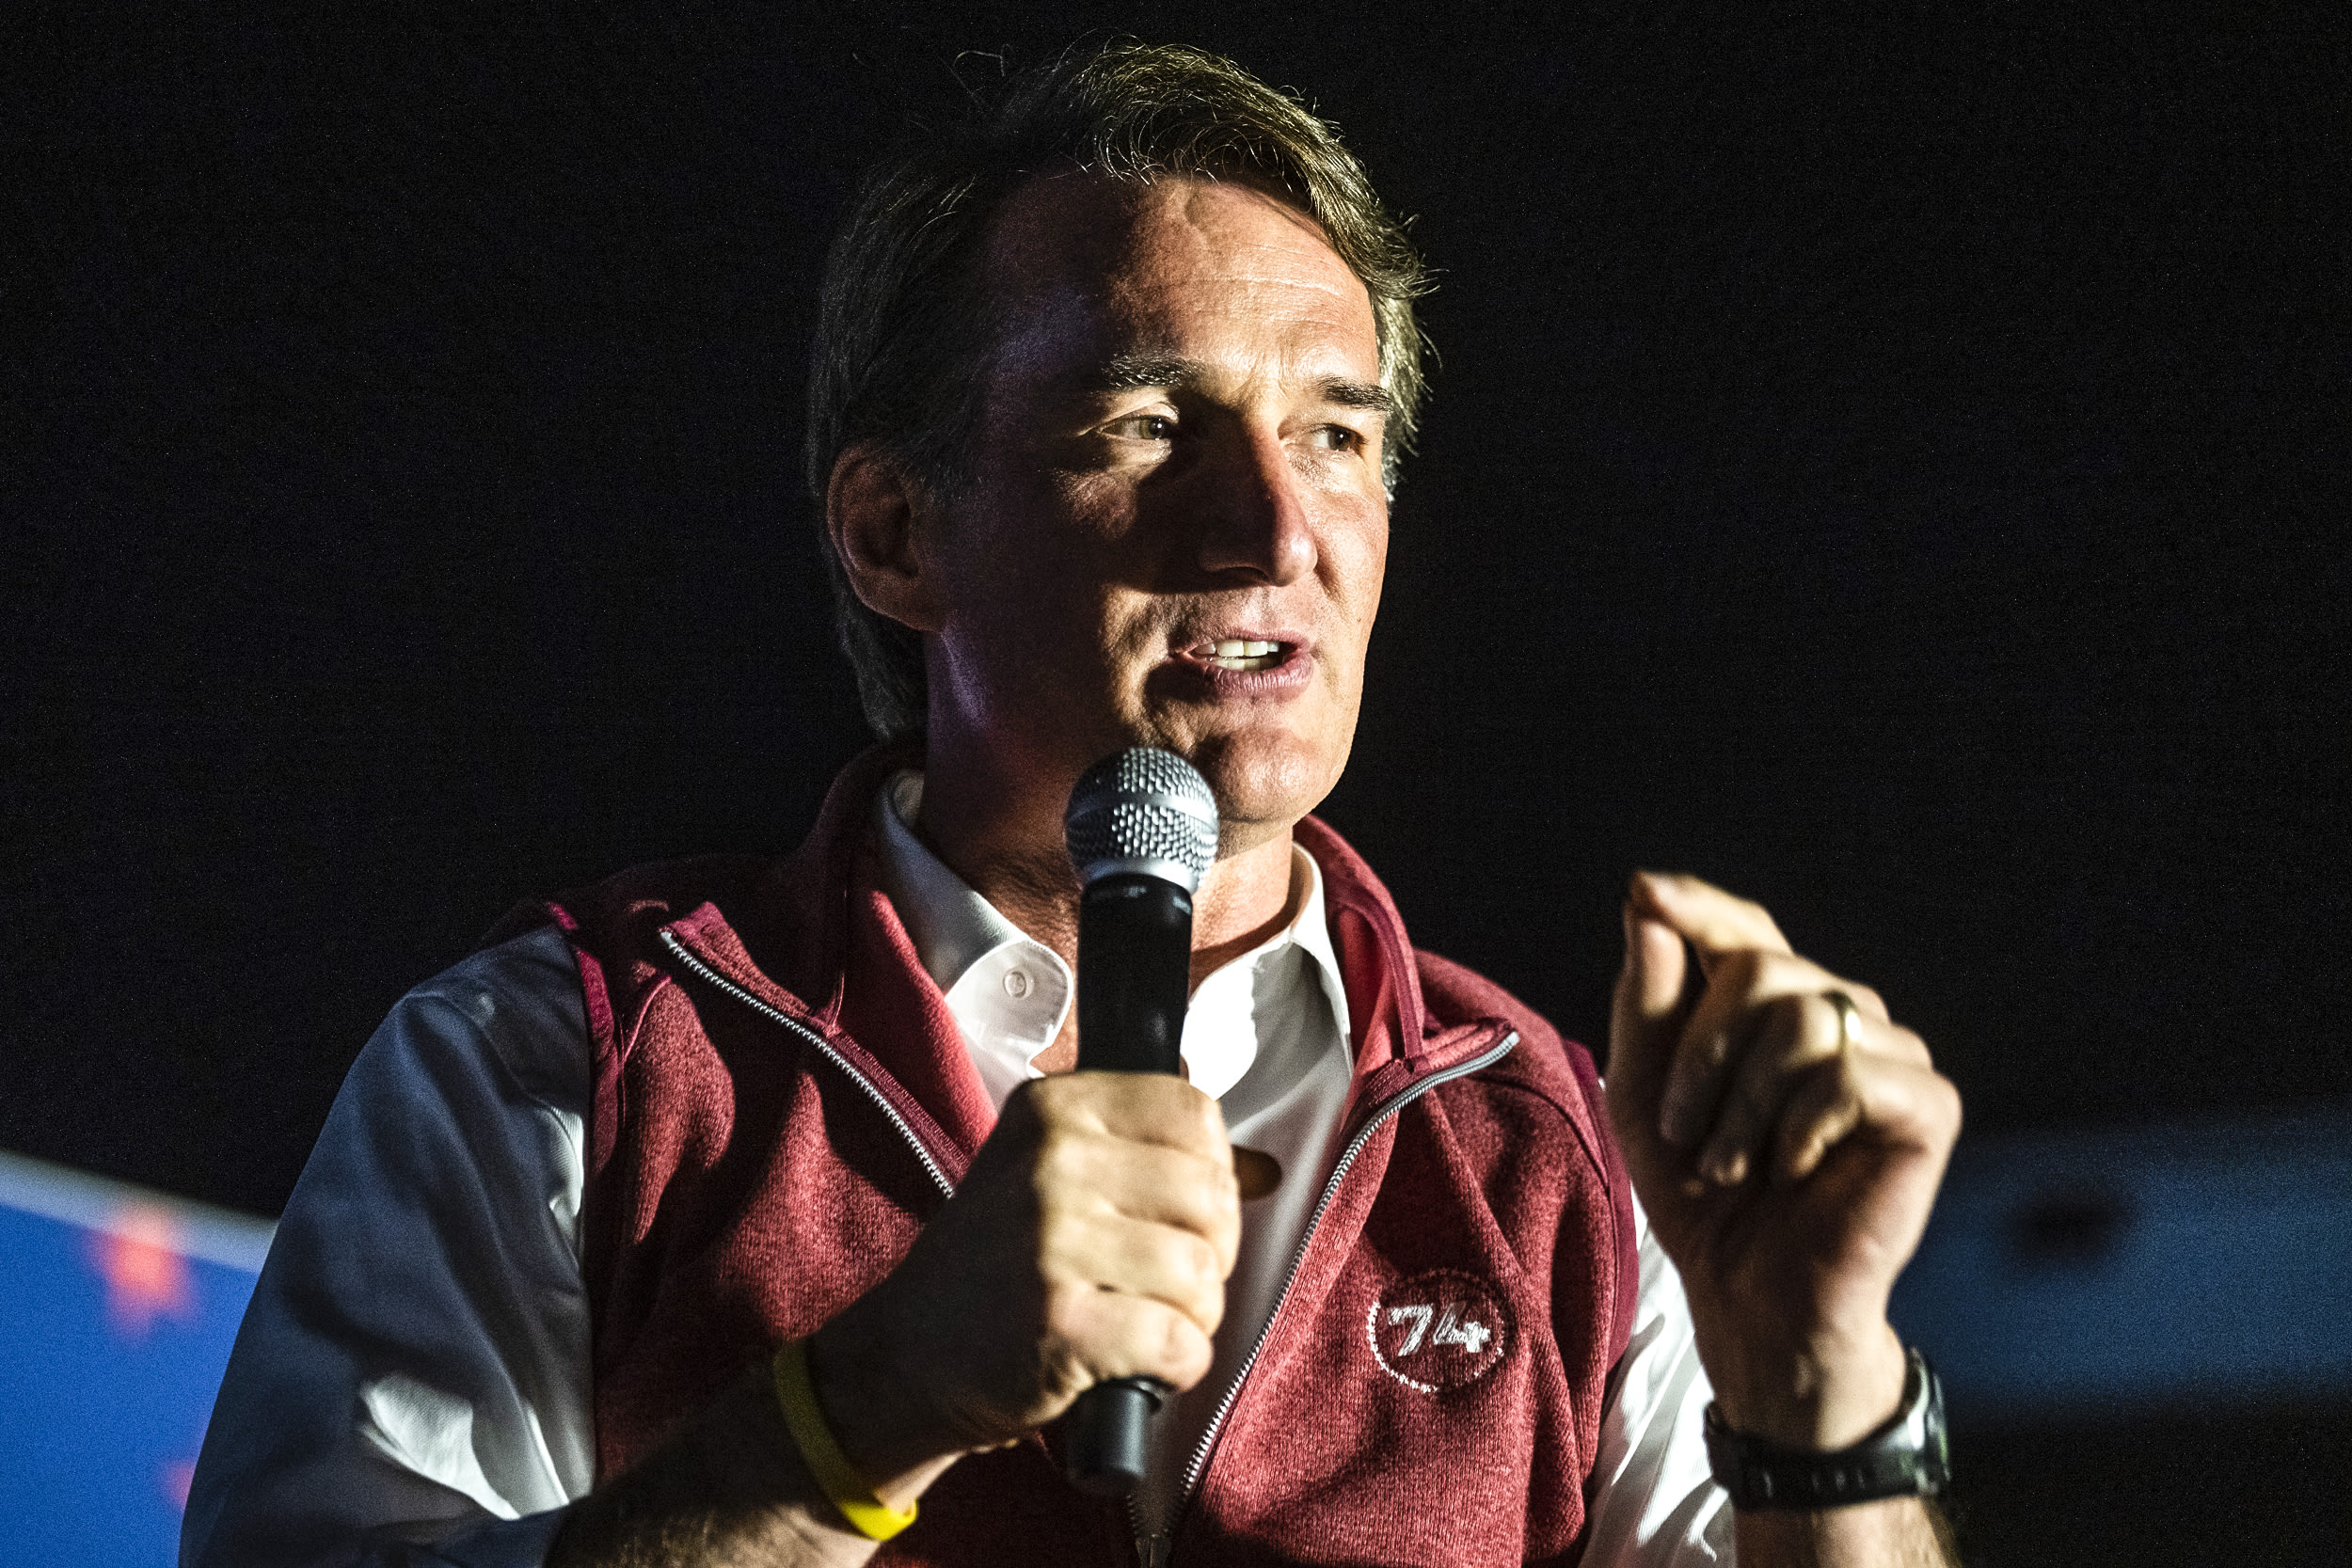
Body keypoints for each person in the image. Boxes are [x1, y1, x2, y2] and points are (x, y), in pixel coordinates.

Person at [184, 42, 1963, 1568]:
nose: (1275, 532)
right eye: (1140, 426)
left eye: (1337, 435)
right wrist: (861, 1408)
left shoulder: (1552, 1151)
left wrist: (1822, 1399)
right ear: (893, 533)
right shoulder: (568, 1062)